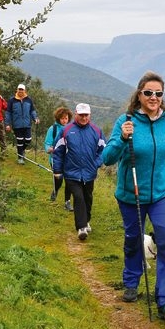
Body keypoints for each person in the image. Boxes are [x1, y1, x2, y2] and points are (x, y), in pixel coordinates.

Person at [102, 71, 165, 321]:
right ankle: (131, 281)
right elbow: (107, 159)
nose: (154, 97)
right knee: (134, 238)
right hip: (131, 193)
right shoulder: (125, 121)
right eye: (149, 92)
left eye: (159, 93)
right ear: (139, 94)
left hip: (161, 193)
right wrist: (123, 138)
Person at [52, 103, 105, 241]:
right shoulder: (66, 130)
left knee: (88, 197)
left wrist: (96, 163)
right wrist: (57, 170)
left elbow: (104, 150)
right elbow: (58, 152)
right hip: (71, 172)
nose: (83, 117)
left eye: (86, 115)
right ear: (75, 114)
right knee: (78, 197)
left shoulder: (96, 131)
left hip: (89, 173)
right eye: (81, 115)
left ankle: (86, 220)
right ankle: (81, 227)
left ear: (90, 115)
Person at [45, 106, 74, 211]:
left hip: (69, 160)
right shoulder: (53, 129)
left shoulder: (71, 129)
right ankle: (55, 190)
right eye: (62, 118)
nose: (64, 120)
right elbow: (47, 144)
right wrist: (50, 149)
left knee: (69, 181)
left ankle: (67, 202)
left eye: (66, 118)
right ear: (58, 118)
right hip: (55, 159)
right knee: (59, 179)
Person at [5, 83, 40, 164]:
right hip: (17, 125)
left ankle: (21, 151)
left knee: (28, 139)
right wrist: (7, 124)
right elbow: (8, 113)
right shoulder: (12, 100)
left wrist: (35, 118)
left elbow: (32, 111)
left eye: (22, 90)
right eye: (19, 89)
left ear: (25, 91)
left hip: (27, 124)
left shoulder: (29, 100)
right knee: (20, 140)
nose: (20, 91)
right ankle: (20, 158)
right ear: (17, 90)